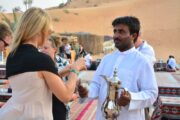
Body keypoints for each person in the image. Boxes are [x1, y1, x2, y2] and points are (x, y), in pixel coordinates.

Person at [0, 7, 86, 120]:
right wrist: (75, 69)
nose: (47, 36)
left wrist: (61, 72)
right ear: (39, 31)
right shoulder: (42, 60)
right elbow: (65, 96)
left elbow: (35, 84)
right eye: (48, 31)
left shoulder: (12, 57)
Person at [78, 16, 158, 120]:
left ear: (133, 35)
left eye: (121, 32)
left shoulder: (142, 61)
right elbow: (97, 85)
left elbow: (151, 93)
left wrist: (131, 98)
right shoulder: (107, 59)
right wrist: (87, 91)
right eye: (115, 31)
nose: (116, 35)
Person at [41, 34, 78, 120]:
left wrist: (72, 94)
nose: (42, 50)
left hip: (60, 107)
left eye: (45, 48)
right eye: (41, 48)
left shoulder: (64, 63)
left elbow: (73, 85)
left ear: (54, 49)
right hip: (43, 106)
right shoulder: (38, 64)